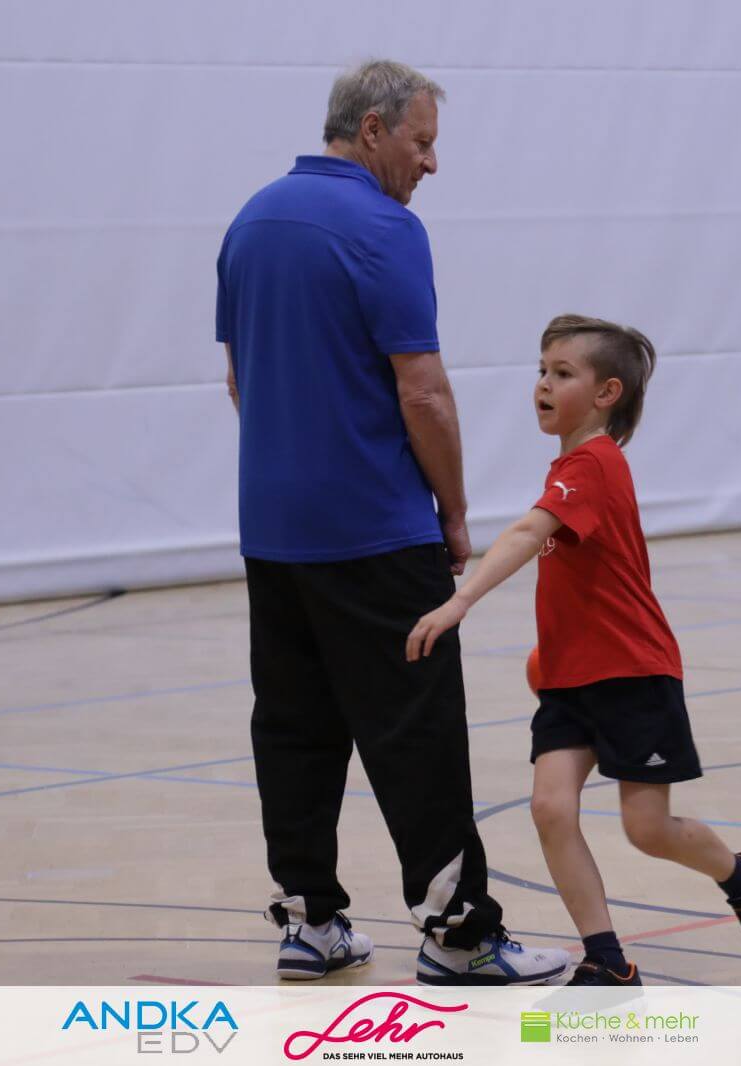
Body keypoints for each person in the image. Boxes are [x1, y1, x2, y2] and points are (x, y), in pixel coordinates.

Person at [215, 59, 567, 985]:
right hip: (375, 530)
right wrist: (453, 510)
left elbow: (240, 380)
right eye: (423, 142)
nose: (431, 164)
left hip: (272, 532)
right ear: (371, 130)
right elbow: (425, 394)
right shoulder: (385, 228)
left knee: (294, 727)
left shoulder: (251, 221)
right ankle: (459, 937)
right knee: (416, 729)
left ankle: (310, 923)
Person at [407, 314, 741, 986]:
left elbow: (528, 532)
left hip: (633, 673)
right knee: (550, 808)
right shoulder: (568, 467)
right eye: (541, 370)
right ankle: (608, 961)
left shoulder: (594, 464)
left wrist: (460, 600)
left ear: (606, 392)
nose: (543, 384)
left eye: (562, 373)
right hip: (568, 680)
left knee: (647, 829)